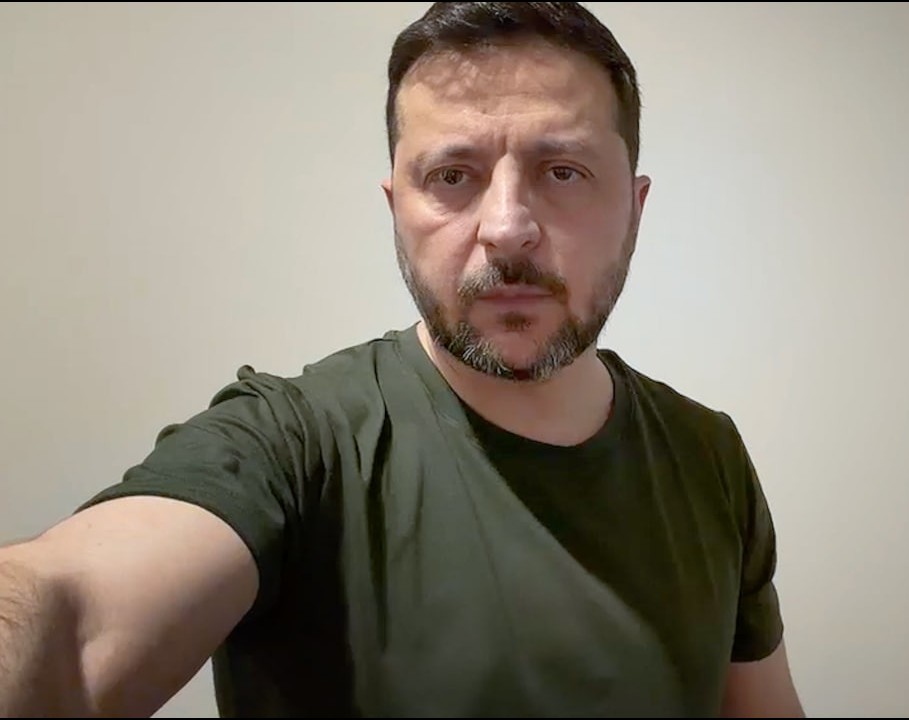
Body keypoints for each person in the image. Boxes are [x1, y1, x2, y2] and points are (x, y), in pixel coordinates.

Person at [0, 2, 804, 717]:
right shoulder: (292, 446)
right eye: (453, 175)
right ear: (397, 208)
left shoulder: (710, 455)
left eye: (564, 171)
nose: (507, 228)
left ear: (634, 206)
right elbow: (69, 621)